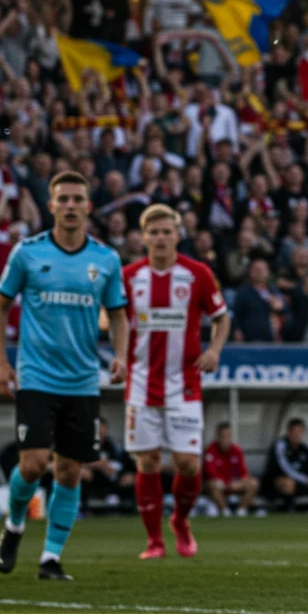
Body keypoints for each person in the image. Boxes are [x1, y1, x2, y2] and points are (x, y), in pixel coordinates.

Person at [0, 171, 129, 581]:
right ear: (51, 206)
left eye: (77, 199)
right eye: (63, 199)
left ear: (88, 206)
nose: (70, 205)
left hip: (83, 380)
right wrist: (1, 363)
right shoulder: (27, 253)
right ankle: (14, 525)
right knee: (33, 464)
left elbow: (119, 315)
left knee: (69, 470)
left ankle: (50, 558)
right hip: (35, 376)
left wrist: (119, 356)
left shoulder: (105, 259)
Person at [123, 204, 230, 559]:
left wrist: (214, 350)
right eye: (153, 232)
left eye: (167, 231)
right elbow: (112, 318)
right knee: (148, 461)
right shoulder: (129, 277)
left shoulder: (197, 274)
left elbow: (221, 318)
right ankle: (154, 541)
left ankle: (180, 521)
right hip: (140, 382)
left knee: (188, 463)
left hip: (183, 383)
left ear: (177, 234)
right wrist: (114, 347)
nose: (160, 238)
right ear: (143, 237)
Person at [261, 418, 308, 511]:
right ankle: (288, 510)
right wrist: (306, 480)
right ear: (288, 432)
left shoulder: (304, 449)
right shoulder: (280, 445)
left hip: (299, 481)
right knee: (289, 483)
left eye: (299, 432)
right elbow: (286, 468)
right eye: (294, 431)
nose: (296, 435)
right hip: (274, 482)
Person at [203, 422, 259, 516]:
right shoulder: (211, 449)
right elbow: (210, 471)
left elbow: (243, 471)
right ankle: (225, 511)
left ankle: (241, 511)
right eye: (223, 436)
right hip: (219, 483)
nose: (225, 439)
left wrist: (239, 482)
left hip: (233, 484)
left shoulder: (237, 450)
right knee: (213, 485)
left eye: (228, 436)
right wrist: (225, 482)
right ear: (218, 436)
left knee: (253, 483)